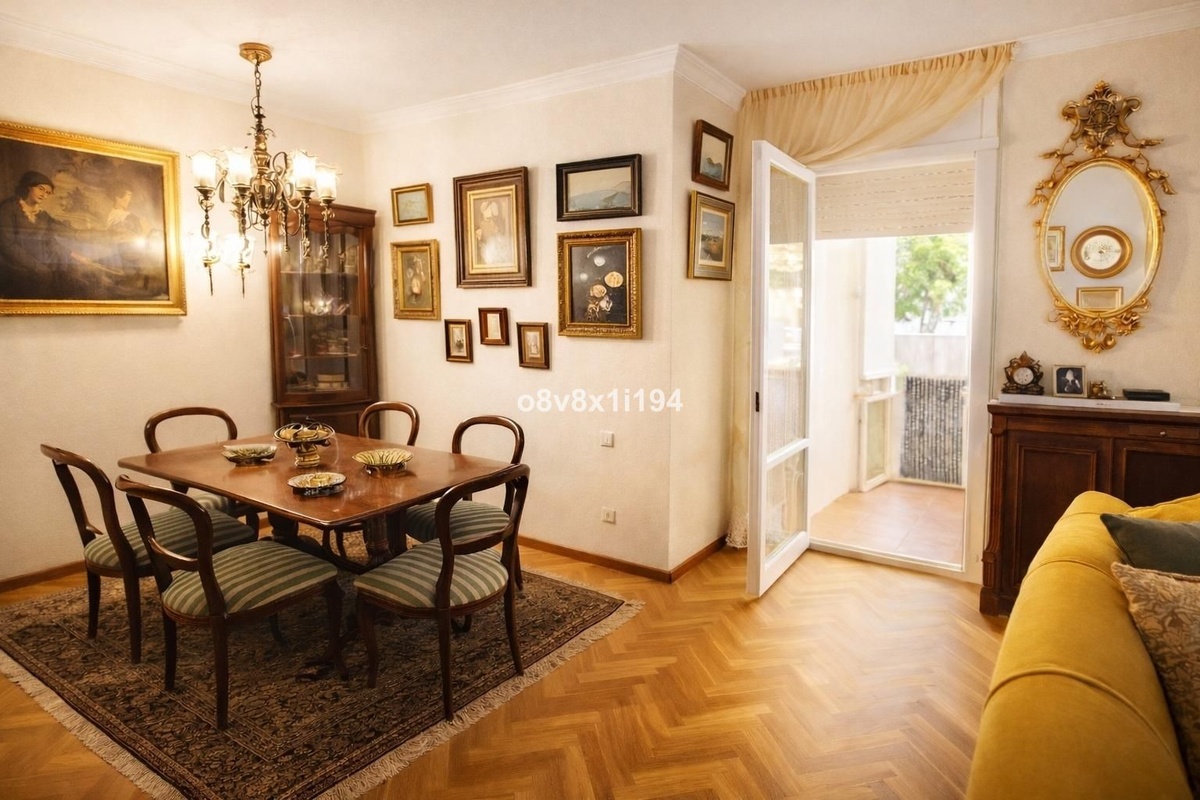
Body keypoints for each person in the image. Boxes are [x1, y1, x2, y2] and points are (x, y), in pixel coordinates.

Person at [0, 170, 112, 299]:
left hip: (41, 262)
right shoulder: (8, 209)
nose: (44, 195)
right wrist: (37, 267)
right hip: (15, 264)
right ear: (29, 186)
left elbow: (51, 243)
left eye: (47, 193)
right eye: (41, 189)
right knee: (46, 277)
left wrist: (77, 256)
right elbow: (7, 245)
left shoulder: (42, 215)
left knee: (74, 273)